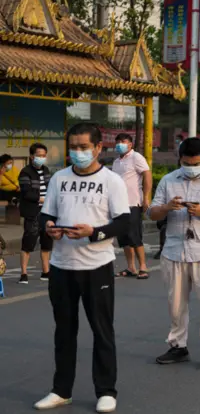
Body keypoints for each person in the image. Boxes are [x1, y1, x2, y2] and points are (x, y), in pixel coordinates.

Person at [34, 123, 130, 413]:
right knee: (64, 331)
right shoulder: (59, 179)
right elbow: (46, 214)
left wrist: (94, 232)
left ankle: (106, 390)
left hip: (97, 266)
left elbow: (123, 222)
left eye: (83, 147)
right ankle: (61, 390)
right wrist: (49, 228)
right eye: (73, 147)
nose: (77, 152)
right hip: (61, 266)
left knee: (102, 330)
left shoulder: (112, 181)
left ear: (98, 148)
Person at [149, 137, 200, 370]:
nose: (190, 167)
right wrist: (167, 208)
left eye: (195, 163)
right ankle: (178, 346)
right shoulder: (168, 181)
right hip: (174, 250)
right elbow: (151, 212)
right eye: (186, 163)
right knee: (175, 304)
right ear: (180, 159)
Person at [111, 133, 152, 280]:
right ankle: (131, 267)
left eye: (123, 141)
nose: (120, 144)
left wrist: (146, 197)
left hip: (133, 203)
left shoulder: (136, 157)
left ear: (130, 144)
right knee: (123, 238)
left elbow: (147, 175)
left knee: (134, 236)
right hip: (118, 205)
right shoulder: (116, 162)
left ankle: (143, 267)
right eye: (118, 141)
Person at [17, 143, 52, 284]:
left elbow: (50, 188)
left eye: (44, 156)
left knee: (46, 243)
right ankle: (23, 274)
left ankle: (46, 272)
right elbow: (26, 193)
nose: (41, 158)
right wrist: (42, 198)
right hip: (32, 212)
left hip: (46, 211)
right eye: (38, 155)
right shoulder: (25, 172)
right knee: (28, 243)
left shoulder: (46, 170)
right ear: (32, 156)